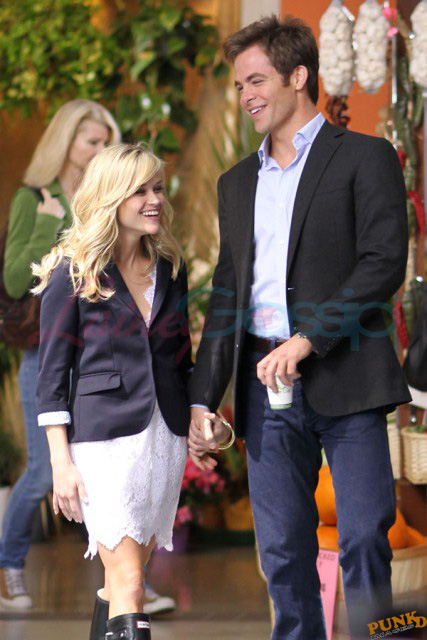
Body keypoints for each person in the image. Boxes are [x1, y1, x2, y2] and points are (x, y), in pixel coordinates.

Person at [188, 15, 411, 640]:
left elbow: (382, 263)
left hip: (348, 377)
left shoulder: (365, 157)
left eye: (256, 80)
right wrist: (204, 399)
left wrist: (309, 338)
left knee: (365, 535)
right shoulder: (236, 183)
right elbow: (227, 298)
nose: (247, 95)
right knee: (283, 554)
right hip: (264, 390)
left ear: (298, 76)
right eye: (239, 85)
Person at [32, 143, 219, 640]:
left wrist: (200, 419)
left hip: (162, 442)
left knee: (120, 583)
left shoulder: (170, 268)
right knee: (132, 584)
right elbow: (51, 377)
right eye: (140, 191)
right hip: (103, 445)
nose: (154, 199)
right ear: (111, 196)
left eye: (157, 188)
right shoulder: (73, 271)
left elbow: (181, 359)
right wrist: (60, 464)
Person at [0, 99, 120, 612]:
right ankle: (8, 566)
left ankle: (126, 578)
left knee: (107, 466)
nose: (100, 150)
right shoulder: (34, 199)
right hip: (46, 353)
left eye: (106, 142)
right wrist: (51, 224)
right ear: (66, 142)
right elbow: (14, 280)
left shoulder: (104, 199)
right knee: (45, 471)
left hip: (96, 356)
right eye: (91, 141)